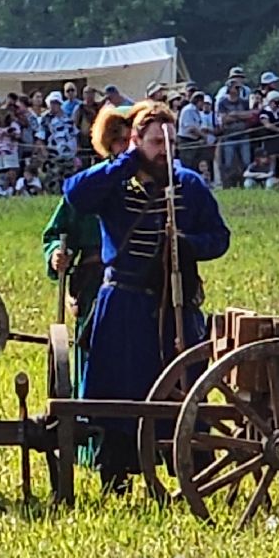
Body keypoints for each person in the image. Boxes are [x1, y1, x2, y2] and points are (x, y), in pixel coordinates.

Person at [62, 100, 231, 493]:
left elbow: (219, 237)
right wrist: (126, 162)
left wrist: (189, 245)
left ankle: (191, 475)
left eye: (169, 142)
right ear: (136, 140)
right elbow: (76, 196)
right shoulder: (114, 181)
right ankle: (116, 477)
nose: (163, 150)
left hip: (175, 304)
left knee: (186, 389)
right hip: (123, 306)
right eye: (155, 142)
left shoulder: (188, 184)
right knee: (119, 393)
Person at [43, 104, 134, 395]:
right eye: (120, 140)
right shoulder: (89, 186)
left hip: (142, 282)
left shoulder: (152, 183)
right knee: (93, 357)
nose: (126, 146)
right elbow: (55, 232)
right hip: (94, 284)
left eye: (131, 139)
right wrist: (56, 252)